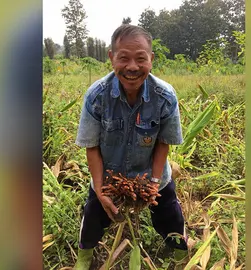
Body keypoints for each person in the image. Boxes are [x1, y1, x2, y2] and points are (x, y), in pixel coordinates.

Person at [74, 24, 188, 269]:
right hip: (109, 176)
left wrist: (154, 183)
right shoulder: (97, 96)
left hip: (151, 174)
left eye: (141, 58)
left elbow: (163, 143)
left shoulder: (165, 96)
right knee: (94, 215)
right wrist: (100, 189)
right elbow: (91, 147)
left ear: (152, 60)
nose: (132, 67)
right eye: (123, 58)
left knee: (169, 215)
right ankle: (84, 257)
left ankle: (180, 255)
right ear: (111, 57)